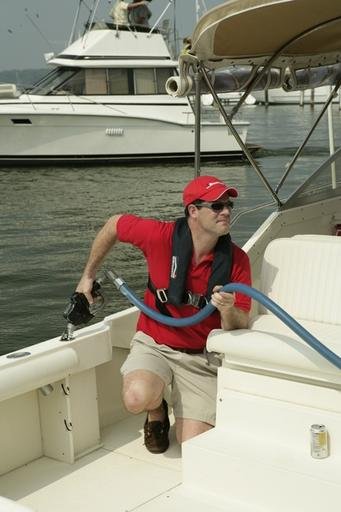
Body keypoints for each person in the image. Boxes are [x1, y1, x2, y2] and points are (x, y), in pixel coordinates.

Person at [76, 175, 252, 454]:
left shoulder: (237, 260)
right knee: (136, 398)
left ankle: (182, 402)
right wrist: (87, 277)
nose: (227, 211)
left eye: (228, 204)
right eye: (217, 206)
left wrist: (228, 309)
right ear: (193, 211)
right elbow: (114, 224)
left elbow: (240, 323)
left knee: (193, 446)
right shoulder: (159, 236)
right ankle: (156, 410)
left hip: (200, 356)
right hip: (154, 343)